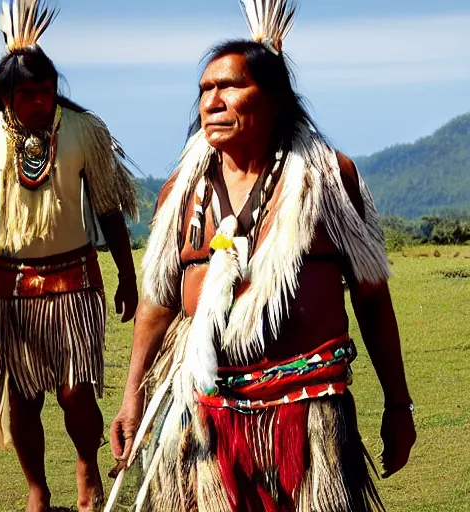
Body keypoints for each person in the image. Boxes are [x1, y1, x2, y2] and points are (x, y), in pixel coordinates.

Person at [109, 1, 416, 510]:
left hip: (309, 423)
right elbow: (158, 303)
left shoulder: (327, 180)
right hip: (206, 424)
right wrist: (132, 396)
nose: (213, 101)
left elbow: (372, 296)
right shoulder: (179, 195)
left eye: (230, 86)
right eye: (205, 90)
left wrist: (398, 403)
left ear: (274, 100)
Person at [0, 2, 138, 511]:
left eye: (47, 91)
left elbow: (108, 207)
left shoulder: (83, 132)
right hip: (10, 288)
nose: (39, 102)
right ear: (6, 96)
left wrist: (126, 274)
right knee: (24, 397)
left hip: (75, 282)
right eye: (27, 94)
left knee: (77, 392)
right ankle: (37, 488)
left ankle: (86, 465)